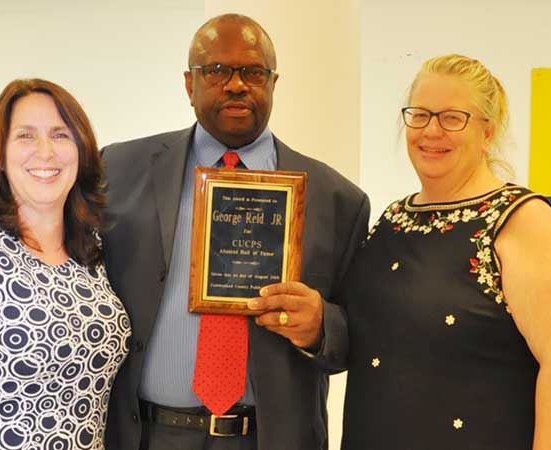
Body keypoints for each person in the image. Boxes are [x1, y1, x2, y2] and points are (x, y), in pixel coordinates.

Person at [101, 13, 369, 450]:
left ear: (274, 83)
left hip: (270, 439)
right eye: (217, 70)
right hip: (149, 435)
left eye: (253, 72)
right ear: (189, 84)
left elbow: (361, 334)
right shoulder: (118, 170)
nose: (236, 84)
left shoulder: (338, 199)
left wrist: (322, 327)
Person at [338, 54, 551, 449]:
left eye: (453, 118)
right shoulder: (392, 219)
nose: (431, 131)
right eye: (420, 115)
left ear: (487, 133)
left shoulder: (523, 220)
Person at [0, 79, 131, 450]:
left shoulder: (91, 249)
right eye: (26, 136)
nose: (45, 151)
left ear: (81, 151)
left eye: (60, 135)